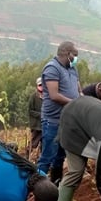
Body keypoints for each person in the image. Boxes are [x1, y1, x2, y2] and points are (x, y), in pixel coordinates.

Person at [37, 41, 82, 184]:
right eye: (75, 55)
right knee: (48, 156)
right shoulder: (52, 68)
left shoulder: (72, 69)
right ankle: (37, 188)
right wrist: (74, 103)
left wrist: (82, 100)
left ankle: (55, 185)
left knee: (60, 156)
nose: (76, 59)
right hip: (53, 120)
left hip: (68, 120)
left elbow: (78, 90)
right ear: (67, 54)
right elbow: (54, 95)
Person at [27, 77, 43, 159]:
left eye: (43, 85)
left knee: (44, 145)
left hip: (45, 125)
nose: (42, 87)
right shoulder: (33, 97)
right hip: (36, 126)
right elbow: (30, 111)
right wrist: (40, 115)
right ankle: (27, 157)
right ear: (37, 86)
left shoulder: (47, 96)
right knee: (33, 144)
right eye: (40, 85)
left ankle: (41, 159)